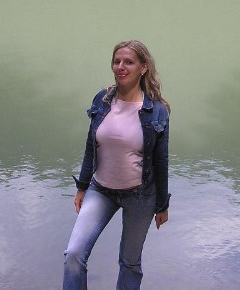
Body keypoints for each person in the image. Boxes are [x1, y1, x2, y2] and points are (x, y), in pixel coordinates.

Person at [63, 40, 171, 290]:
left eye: (128, 62)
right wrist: (82, 187)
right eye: (117, 61)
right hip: (100, 190)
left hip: (140, 195)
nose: (120, 66)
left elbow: (161, 160)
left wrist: (162, 205)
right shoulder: (102, 100)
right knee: (74, 254)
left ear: (143, 68)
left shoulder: (157, 110)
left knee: (130, 263)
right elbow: (90, 146)